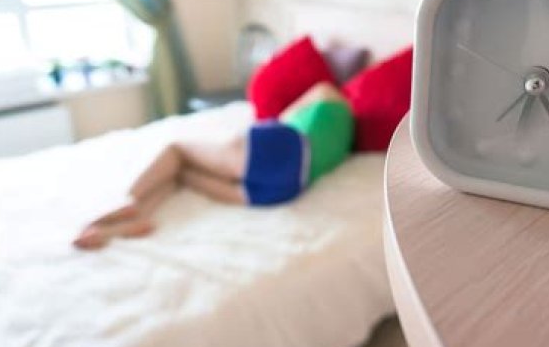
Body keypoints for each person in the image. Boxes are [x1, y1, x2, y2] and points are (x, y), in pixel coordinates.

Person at [74, 82, 354, 250]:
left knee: (177, 150)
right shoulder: (348, 136)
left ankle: (130, 201)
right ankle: (135, 220)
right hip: (285, 189)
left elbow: (283, 118)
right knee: (182, 175)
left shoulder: (326, 92)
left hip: (281, 149)